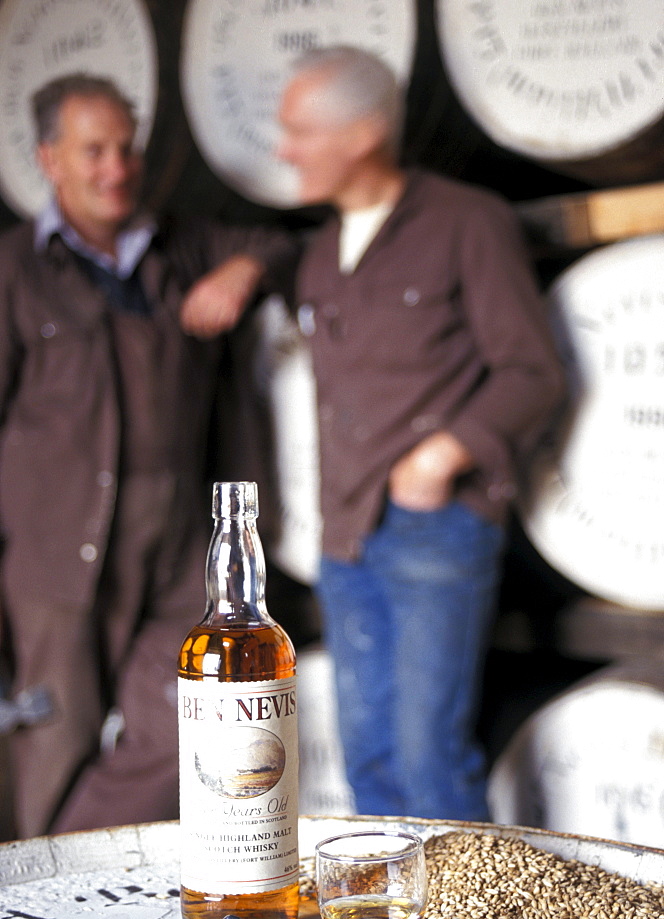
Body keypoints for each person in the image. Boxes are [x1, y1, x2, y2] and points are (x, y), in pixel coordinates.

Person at [0, 73, 295, 838]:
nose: (116, 168)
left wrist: (243, 270)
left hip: (179, 554)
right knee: (49, 748)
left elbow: (288, 243)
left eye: (126, 148)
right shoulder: (13, 273)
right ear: (49, 159)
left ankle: (68, 863)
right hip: (57, 557)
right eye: (93, 150)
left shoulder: (186, 244)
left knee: (183, 737)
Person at [277, 46, 566, 821]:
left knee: (429, 756)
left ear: (364, 132)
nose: (284, 149)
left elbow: (533, 371)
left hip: (434, 529)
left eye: (300, 130)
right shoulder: (314, 255)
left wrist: (443, 456)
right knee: (369, 755)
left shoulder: (467, 222)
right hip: (345, 538)